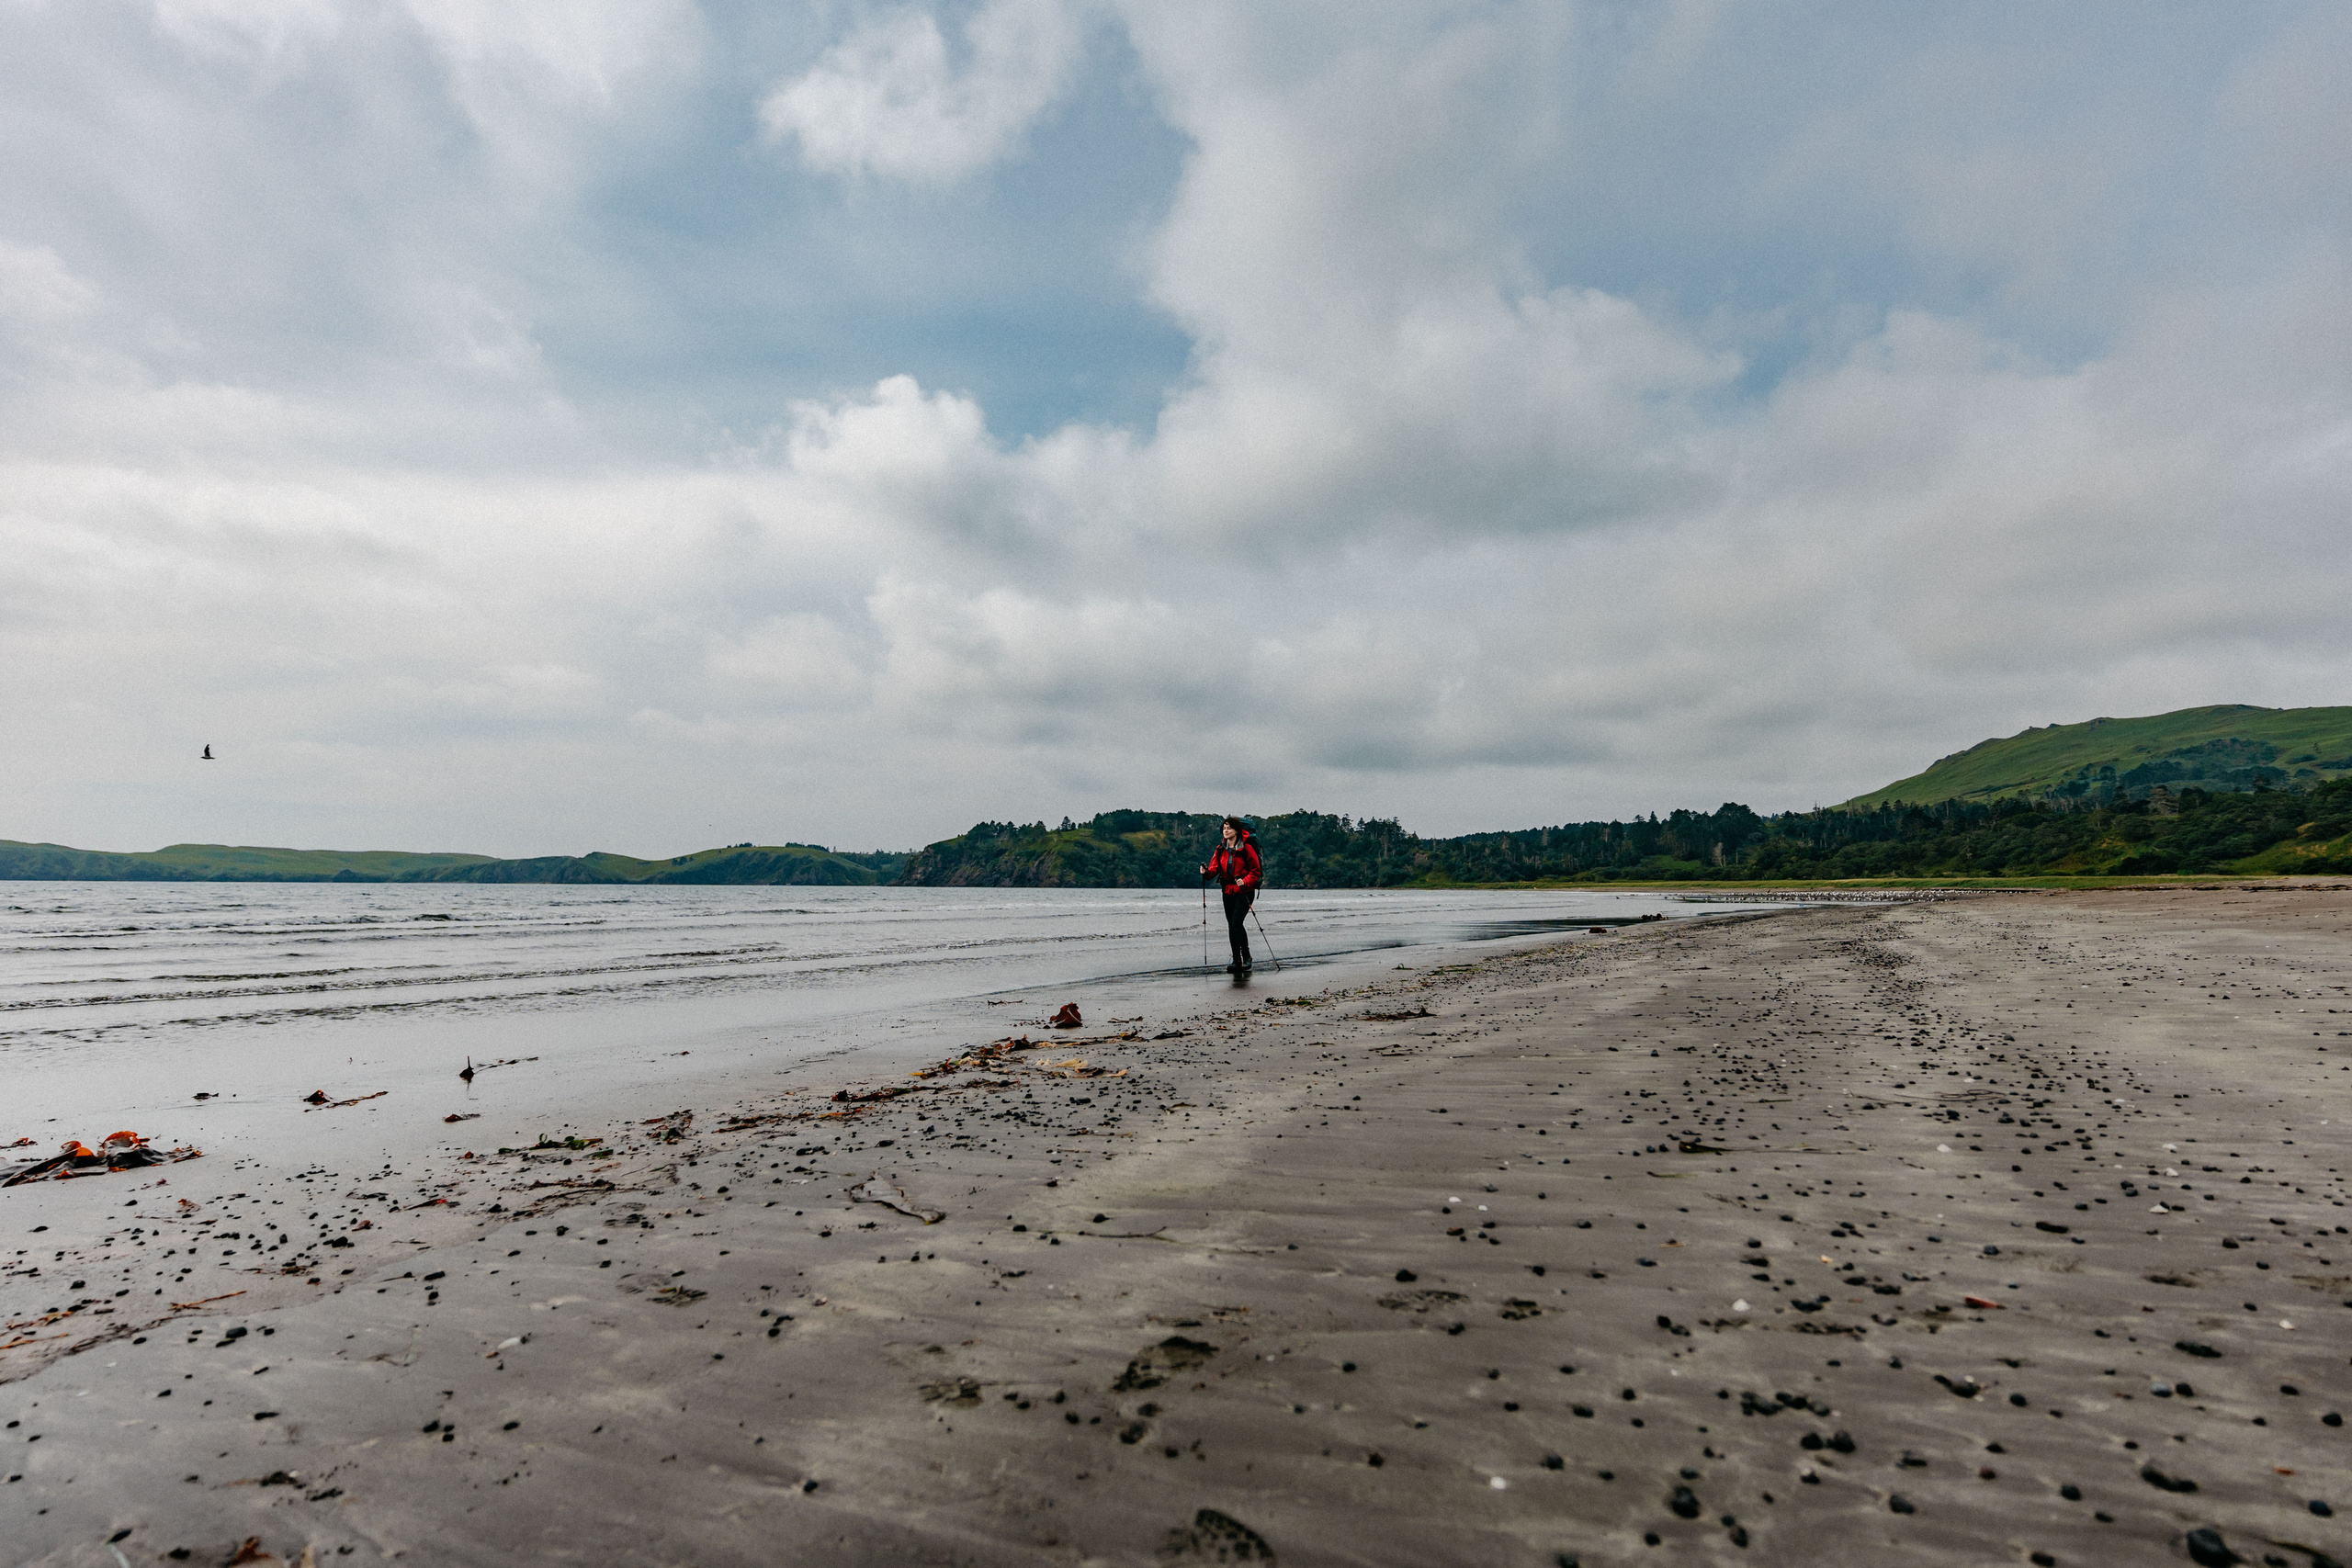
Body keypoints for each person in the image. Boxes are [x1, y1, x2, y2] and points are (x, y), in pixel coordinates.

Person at [1199, 816, 1261, 973]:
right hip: (1227, 891)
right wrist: (1206, 872)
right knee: (1231, 926)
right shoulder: (1220, 848)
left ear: (1236, 831)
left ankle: (1246, 957)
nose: (1225, 830)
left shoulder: (1247, 848)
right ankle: (1236, 961)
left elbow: (1256, 871)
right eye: (1224, 828)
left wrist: (1245, 882)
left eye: (1229, 828)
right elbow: (1214, 870)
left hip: (1245, 891)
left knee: (1236, 923)